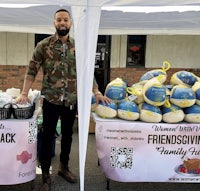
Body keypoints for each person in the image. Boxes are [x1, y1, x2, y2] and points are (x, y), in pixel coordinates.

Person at [16, 8, 110, 191]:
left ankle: (63, 167)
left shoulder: (78, 46)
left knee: (68, 136)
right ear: (54, 23)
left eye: (65, 20)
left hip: (71, 100)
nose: (62, 23)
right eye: (59, 20)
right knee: (48, 136)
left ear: (70, 23)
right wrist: (24, 93)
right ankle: (45, 175)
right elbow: (32, 69)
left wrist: (97, 91)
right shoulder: (44, 46)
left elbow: (87, 70)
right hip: (51, 100)